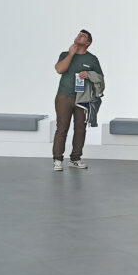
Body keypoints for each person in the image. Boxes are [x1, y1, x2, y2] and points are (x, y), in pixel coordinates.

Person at [53, 29, 103, 171]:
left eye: (84, 35)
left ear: (88, 43)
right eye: (79, 34)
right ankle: (57, 160)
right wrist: (71, 54)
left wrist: (89, 74)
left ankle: (75, 159)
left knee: (80, 129)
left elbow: (100, 77)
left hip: (83, 98)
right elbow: (59, 69)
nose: (80, 35)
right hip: (64, 96)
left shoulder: (92, 59)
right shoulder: (65, 54)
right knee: (62, 128)